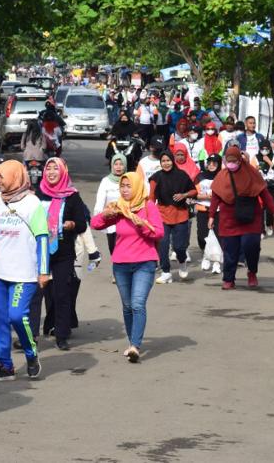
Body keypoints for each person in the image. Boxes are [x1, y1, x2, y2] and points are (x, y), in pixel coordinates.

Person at [0, 160, 49, 382]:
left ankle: (31, 353)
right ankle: (5, 365)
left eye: (1, 177)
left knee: (17, 316)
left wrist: (43, 271)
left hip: (24, 273)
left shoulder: (33, 204)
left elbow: (42, 238)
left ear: (14, 176)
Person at [89, 172, 162, 363]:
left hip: (144, 262)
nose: (125, 189)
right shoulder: (120, 207)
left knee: (138, 304)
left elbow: (159, 233)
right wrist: (105, 215)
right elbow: (95, 224)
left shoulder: (148, 207)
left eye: (129, 186)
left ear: (137, 186)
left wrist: (141, 225)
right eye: (123, 186)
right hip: (121, 263)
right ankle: (132, 342)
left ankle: (135, 346)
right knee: (128, 306)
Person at [34, 158, 89, 351]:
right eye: (47, 169)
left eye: (54, 169)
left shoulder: (72, 196)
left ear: (63, 172)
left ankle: (61, 334)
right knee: (35, 293)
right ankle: (31, 334)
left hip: (63, 251)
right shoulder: (38, 193)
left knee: (62, 293)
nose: (50, 172)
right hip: (38, 250)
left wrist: (72, 224)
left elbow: (82, 223)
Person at [209, 146, 274, 290]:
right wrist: (211, 216)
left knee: (251, 245)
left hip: (250, 216)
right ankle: (229, 279)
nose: (232, 164)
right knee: (229, 250)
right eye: (229, 161)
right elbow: (215, 197)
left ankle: (252, 272)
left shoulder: (252, 173)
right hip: (228, 218)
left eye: (234, 161)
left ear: (240, 160)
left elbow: (264, 194)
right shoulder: (221, 176)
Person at [151, 148, 197, 283]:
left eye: (168, 160)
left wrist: (184, 195)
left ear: (173, 161)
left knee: (179, 247)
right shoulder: (156, 177)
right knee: (163, 245)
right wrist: (149, 214)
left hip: (180, 215)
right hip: (162, 215)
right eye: (163, 161)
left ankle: (182, 262)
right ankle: (166, 272)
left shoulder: (182, 175)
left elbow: (194, 190)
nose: (166, 163)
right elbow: (151, 198)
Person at [95, 153, 128, 257]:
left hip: (127, 219)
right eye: (116, 164)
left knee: (126, 249)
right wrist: (99, 216)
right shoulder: (105, 181)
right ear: (112, 165)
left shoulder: (129, 179)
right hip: (111, 220)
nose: (118, 167)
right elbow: (100, 200)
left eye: (121, 164)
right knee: (113, 250)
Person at [194, 155, 222, 274]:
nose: (211, 166)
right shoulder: (200, 176)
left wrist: (216, 198)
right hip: (202, 209)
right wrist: (207, 196)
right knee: (202, 235)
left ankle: (216, 262)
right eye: (209, 163)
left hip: (218, 210)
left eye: (215, 163)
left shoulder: (222, 176)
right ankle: (206, 256)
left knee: (218, 236)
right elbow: (195, 193)